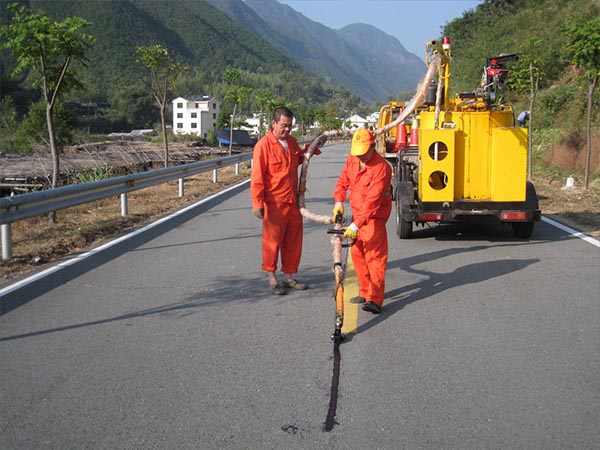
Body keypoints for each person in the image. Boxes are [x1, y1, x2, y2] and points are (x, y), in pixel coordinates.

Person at [332, 129, 392, 314]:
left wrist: (355, 225)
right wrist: (339, 202)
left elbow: (373, 201)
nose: (360, 156)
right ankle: (365, 292)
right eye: (357, 152)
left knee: (374, 258)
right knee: (357, 255)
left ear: (373, 147)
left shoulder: (381, 168)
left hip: (373, 218)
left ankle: (375, 299)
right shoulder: (353, 159)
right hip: (357, 216)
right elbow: (342, 182)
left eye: (363, 152)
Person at [251, 106, 308, 295]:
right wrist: (257, 203)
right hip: (274, 203)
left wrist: (312, 149)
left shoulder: (291, 142)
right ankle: (272, 277)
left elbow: (299, 159)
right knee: (272, 242)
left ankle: (288, 277)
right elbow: (257, 177)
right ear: (274, 123)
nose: (287, 129)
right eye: (284, 125)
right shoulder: (263, 146)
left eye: (290, 125)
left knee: (293, 241)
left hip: (293, 201)